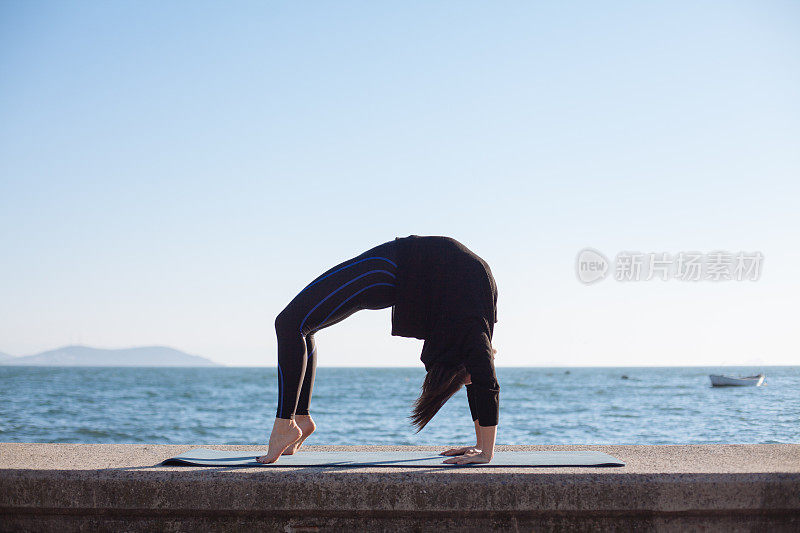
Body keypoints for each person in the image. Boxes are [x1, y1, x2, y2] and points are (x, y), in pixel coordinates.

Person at [257, 235, 499, 465]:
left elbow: (482, 378)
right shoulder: (471, 327)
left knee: (290, 323)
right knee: (298, 325)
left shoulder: (470, 322)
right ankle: (299, 418)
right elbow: (481, 376)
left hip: (392, 268)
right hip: (399, 268)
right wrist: (482, 447)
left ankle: (285, 423)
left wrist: (484, 450)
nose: (468, 382)